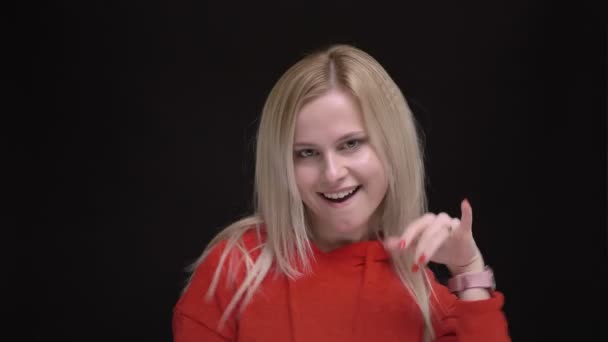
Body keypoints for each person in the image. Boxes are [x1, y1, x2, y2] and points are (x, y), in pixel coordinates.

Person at [172, 44, 511, 341]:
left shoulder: (427, 302)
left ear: (392, 145)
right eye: (307, 152)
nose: (332, 174)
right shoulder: (234, 269)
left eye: (351, 144)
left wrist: (468, 271)